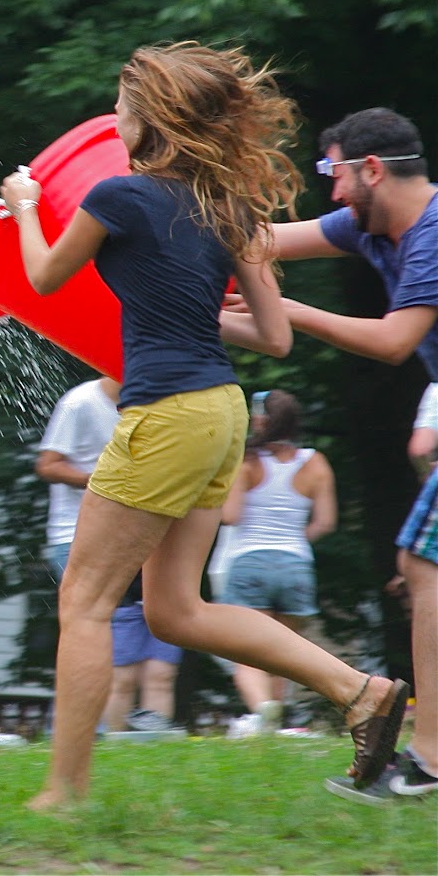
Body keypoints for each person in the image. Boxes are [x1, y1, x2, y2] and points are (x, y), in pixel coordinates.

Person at [1, 41, 407, 809]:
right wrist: (193, 315)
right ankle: (359, 690)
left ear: (148, 117)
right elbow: (276, 338)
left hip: (166, 412)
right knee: (175, 609)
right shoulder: (231, 209)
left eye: (120, 105)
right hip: (224, 411)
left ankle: (64, 794)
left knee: (83, 602)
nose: (111, 117)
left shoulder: (118, 198)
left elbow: (46, 278)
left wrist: (24, 207)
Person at [263, 107, 438, 802]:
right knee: (421, 565)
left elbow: (397, 343)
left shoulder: (431, 233)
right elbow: (262, 240)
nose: (330, 195)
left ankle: (428, 763)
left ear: (370, 169)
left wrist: (292, 315)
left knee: (424, 563)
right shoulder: (372, 228)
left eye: (334, 175)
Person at [38, 377, 183, 736]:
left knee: (117, 636)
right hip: (74, 535)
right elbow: (48, 464)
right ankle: (74, 726)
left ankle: (100, 727)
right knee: (91, 629)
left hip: (127, 537)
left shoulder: (152, 402)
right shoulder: (80, 402)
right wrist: (102, 481)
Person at [218, 389, 335, 737]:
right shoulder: (316, 463)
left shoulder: (248, 461)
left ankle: (262, 709)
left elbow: (231, 515)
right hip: (296, 566)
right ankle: (278, 724)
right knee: (281, 653)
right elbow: (325, 521)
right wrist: (297, 541)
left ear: (260, 420)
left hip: (249, 563)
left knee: (245, 654)